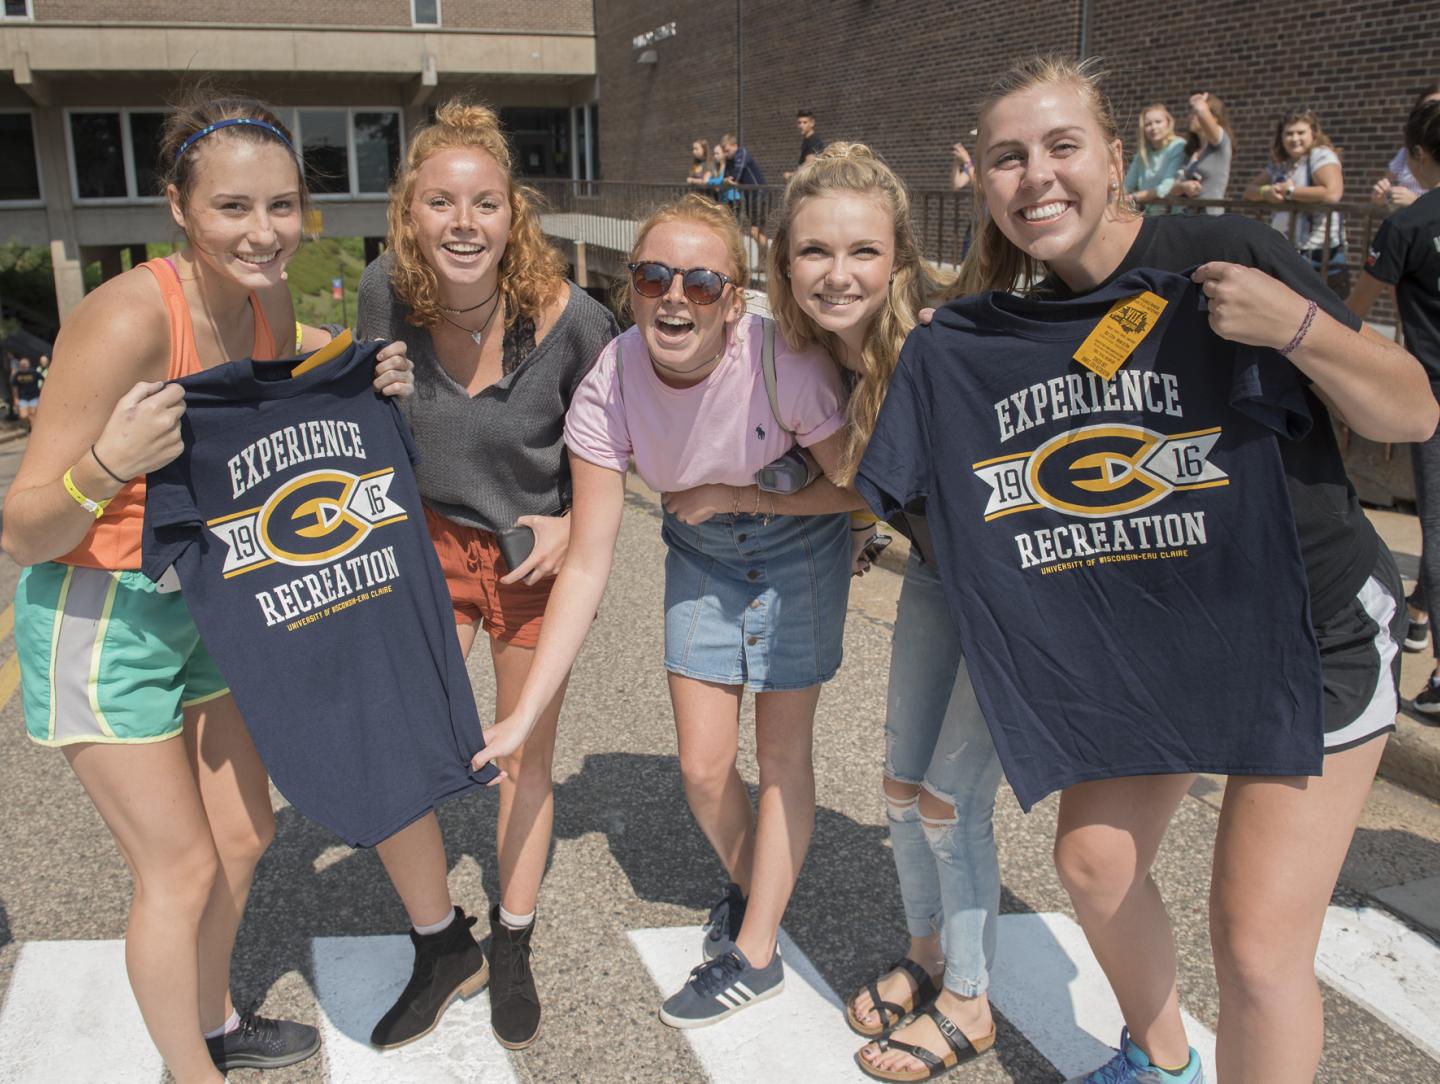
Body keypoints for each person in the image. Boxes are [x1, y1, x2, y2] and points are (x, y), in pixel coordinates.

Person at [894, 55, 1433, 1084]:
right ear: (982, 179)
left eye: (1062, 148)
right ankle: (1165, 1059)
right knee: (1093, 860)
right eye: (1008, 158)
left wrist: (1298, 326)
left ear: (1119, 161)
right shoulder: (1017, 323)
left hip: (1308, 629)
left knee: (1259, 946)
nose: (1036, 177)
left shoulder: (1225, 250)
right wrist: (948, 361)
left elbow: (1410, 410)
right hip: (1165, 636)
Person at [477, 193, 859, 1029]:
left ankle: (755, 952)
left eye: (701, 281)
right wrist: (526, 712)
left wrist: (734, 490)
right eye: (653, 277)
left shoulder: (782, 361)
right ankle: (760, 888)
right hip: (702, 554)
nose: (675, 296)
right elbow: (587, 560)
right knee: (702, 768)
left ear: (736, 295)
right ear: (632, 288)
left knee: (781, 751)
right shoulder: (610, 383)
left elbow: (857, 488)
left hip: (798, 547)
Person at [354, 99, 620, 1049]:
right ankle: (442, 944)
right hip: (425, 540)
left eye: (485, 202)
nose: (463, 221)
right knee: (397, 743)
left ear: (516, 215)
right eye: (440, 202)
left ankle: (512, 937)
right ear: (409, 216)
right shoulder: (385, 290)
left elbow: (612, 450)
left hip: (527, 554)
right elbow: (358, 430)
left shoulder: (577, 320)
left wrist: (568, 522)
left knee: (522, 756)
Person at [763, 143, 1000, 1079]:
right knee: (900, 789)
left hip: (1007, 593)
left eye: (863, 251)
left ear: (898, 257)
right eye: (815, 251)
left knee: (949, 800)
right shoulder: (821, 352)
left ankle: (973, 1003)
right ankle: (930, 956)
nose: (838, 273)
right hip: (937, 576)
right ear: (784, 260)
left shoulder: (943, 335)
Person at [1348, 99, 1440, 709]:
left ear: (1415, 156)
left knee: (1437, 525)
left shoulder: (1409, 224)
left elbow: (1351, 312)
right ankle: (1416, 615)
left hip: (1430, 393)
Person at [1244, 109, 1347, 289]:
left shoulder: (1320, 155)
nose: (1294, 138)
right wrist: (1266, 191)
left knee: (1321, 310)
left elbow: (1332, 193)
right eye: (1289, 133)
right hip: (1286, 247)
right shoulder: (1281, 163)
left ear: (1313, 133)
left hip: (1317, 252)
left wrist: (1290, 191)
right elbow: (1249, 191)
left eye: (1301, 132)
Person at [1372, 82, 1440, 209]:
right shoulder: (1405, 153)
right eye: (1428, 108)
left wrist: (1416, 202)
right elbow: (1380, 198)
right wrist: (1386, 195)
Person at [1171, 91, 1233, 214]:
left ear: (1214, 118)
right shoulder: (1193, 152)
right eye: (1192, 112)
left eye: (1195, 113)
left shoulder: (1221, 144)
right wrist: (1184, 186)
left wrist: (1200, 103)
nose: (1192, 116)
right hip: (1189, 218)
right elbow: (1173, 188)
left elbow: (1202, 111)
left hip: (1211, 218)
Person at [1124, 104, 1186, 214]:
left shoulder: (1178, 146)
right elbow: (1126, 185)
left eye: (1158, 122)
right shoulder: (1142, 154)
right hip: (1148, 215)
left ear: (1168, 123)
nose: (1153, 127)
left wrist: (1135, 197)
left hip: (1171, 215)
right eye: (1148, 124)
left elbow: (1167, 186)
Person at [785, 109, 826, 180]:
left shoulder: (813, 140)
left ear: (812, 123)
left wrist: (791, 175)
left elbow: (808, 165)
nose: (801, 125)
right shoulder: (807, 140)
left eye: (805, 122)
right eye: (799, 123)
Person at [10, 356, 40, 428]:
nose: (23, 365)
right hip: (23, 398)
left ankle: (33, 431)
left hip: (34, 397)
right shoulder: (17, 374)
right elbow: (14, 387)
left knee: (33, 415)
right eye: (22, 364)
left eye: (25, 364)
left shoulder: (34, 372)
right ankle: (30, 426)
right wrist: (16, 398)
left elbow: (44, 380)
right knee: (23, 416)